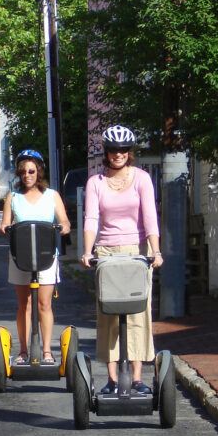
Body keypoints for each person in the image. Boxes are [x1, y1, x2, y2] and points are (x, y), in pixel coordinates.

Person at [80, 125, 163, 394]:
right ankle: (112, 379)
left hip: (137, 252)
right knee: (108, 316)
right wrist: (87, 251)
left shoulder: (141, 179)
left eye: (124, 150)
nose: (119, 154)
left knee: (139, 313)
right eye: (114, 150)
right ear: (106, 151)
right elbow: (91, 218)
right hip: (106, 252)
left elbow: (150, 216)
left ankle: (137, 378)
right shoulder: (96, 182)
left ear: (130, 152)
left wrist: (155, 251)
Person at [0, 149, 71, 363]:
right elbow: (4, 223)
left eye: (31, 171)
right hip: (20, 256)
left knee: (44, 305)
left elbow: (64, 221)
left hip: (46, 256)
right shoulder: (13, 197)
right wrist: (3, 228)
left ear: (39, 172)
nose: (27, 175)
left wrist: (64, 227)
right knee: (25, 305)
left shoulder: (52, 195)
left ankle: (47, 351)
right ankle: (23, 351)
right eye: (23, 172)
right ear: (19, 174)